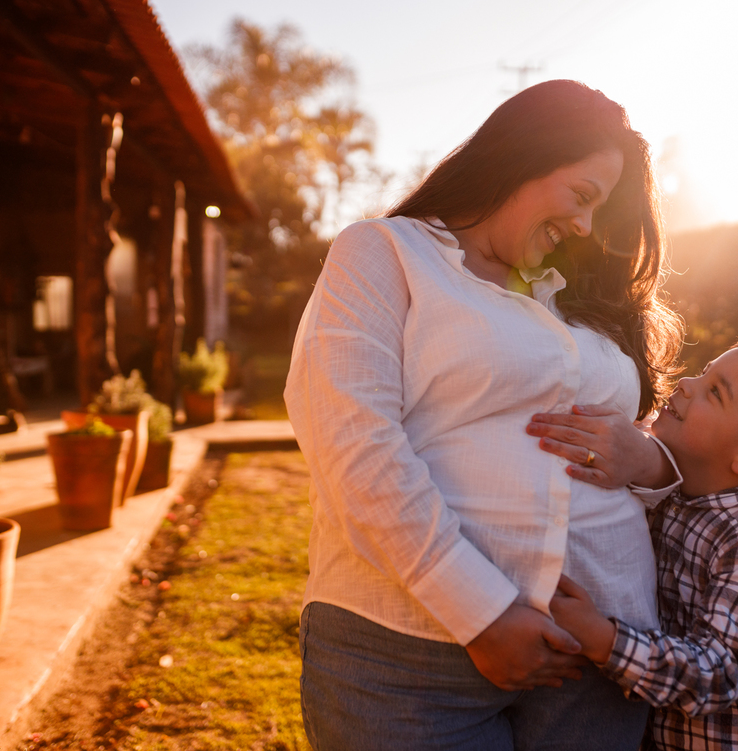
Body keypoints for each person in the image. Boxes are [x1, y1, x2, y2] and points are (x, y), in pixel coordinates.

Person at [284, 79, 685, 750]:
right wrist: (485, 615)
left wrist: (647, 459)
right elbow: (352, 442)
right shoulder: (388, 253)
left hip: (599, 647)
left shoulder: (568, 294)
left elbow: (637, 439)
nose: (586, 227)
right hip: (409, 651)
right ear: (523, 158)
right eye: (582, 196)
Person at [543, 336, 738, 751]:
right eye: (703, 372)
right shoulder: (676, 494)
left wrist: (600, 638)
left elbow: (715, 676)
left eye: (715, 392)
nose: (686, 382)